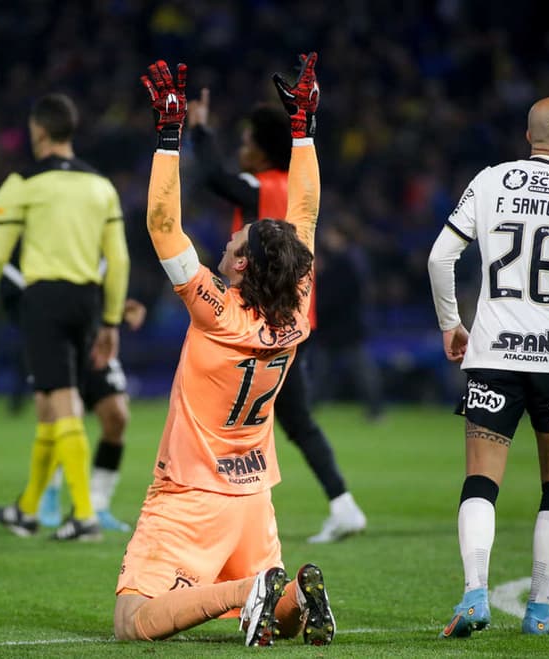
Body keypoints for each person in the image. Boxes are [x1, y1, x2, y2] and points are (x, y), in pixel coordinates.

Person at [113, 55, 335, 647]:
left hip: (191, 493)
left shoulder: (216, 312)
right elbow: (305, 215)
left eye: (233, 240)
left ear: (240, 265)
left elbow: (163, 224)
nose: (226, 240)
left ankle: (249, 592)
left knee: (133, 622)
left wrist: (168, 134)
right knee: (277, 612)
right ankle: (285, 597)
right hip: (253, 497)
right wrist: (304, 129)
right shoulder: (295, 309)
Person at [428, 96, 549, 637]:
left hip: (493, 353)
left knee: (481, 478)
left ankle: (473, 595)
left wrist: (450, 324)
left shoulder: (489, 181)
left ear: (529, 136)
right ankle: (538, 607)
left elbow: (440, 257)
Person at [188, 85, 367, 543]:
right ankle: (342, 504)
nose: (240, 149)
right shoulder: (293, 188)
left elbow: (213, 178)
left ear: (264, 150)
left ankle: (223, 514)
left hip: (254, 324)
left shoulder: (261, 187)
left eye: (246, 142)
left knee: (229, 416)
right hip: (292, 321)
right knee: (292, 418)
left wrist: (199, 130)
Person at [0, 92, 130, 541]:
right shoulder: (101, 186)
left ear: (38, 130)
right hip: (88, 301)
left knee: (58, 403)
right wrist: (110, 321)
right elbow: (120, 260)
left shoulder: (23, 183)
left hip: (45, 301)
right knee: (56, 407)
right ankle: (29, 509)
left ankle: (84, 516)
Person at [0, 257, 145, 532]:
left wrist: (118, 311)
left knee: (117, 417)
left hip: (93, 342)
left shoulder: (96, 242)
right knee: (55, 415)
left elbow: (106, 284)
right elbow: (15, 299)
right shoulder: (27, 250)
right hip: (52, 340)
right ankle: (48, 496)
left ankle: (98, 504)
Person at [310, 221, 385, 421]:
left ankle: (375, 408)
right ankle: (375, 409)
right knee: (325, 370)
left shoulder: (345, 261)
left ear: (340, 236)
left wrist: (319, 307)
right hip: (344, 326)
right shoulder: (352, 258)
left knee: (354, 370)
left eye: (331, 234)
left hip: (342, 326)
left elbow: (337, 295)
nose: (327, 238)